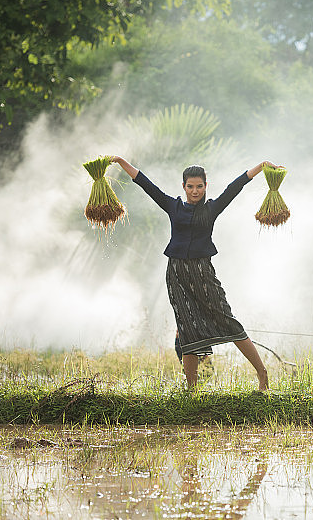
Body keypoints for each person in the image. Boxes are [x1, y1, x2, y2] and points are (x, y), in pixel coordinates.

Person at [110, 155, 275, 390]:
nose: (195, 191)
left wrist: (261, 167)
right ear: (183, 186)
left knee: (228, 321)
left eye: (199, 186)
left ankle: (262, 374)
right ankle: (192, 389)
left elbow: (235, 186)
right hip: (176, 274)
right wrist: (119, 161)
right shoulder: (173, 206)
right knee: (186, 329)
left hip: (203, 272)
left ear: (206, 186)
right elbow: (145, 183)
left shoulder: (212, 208)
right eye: (190, 186)